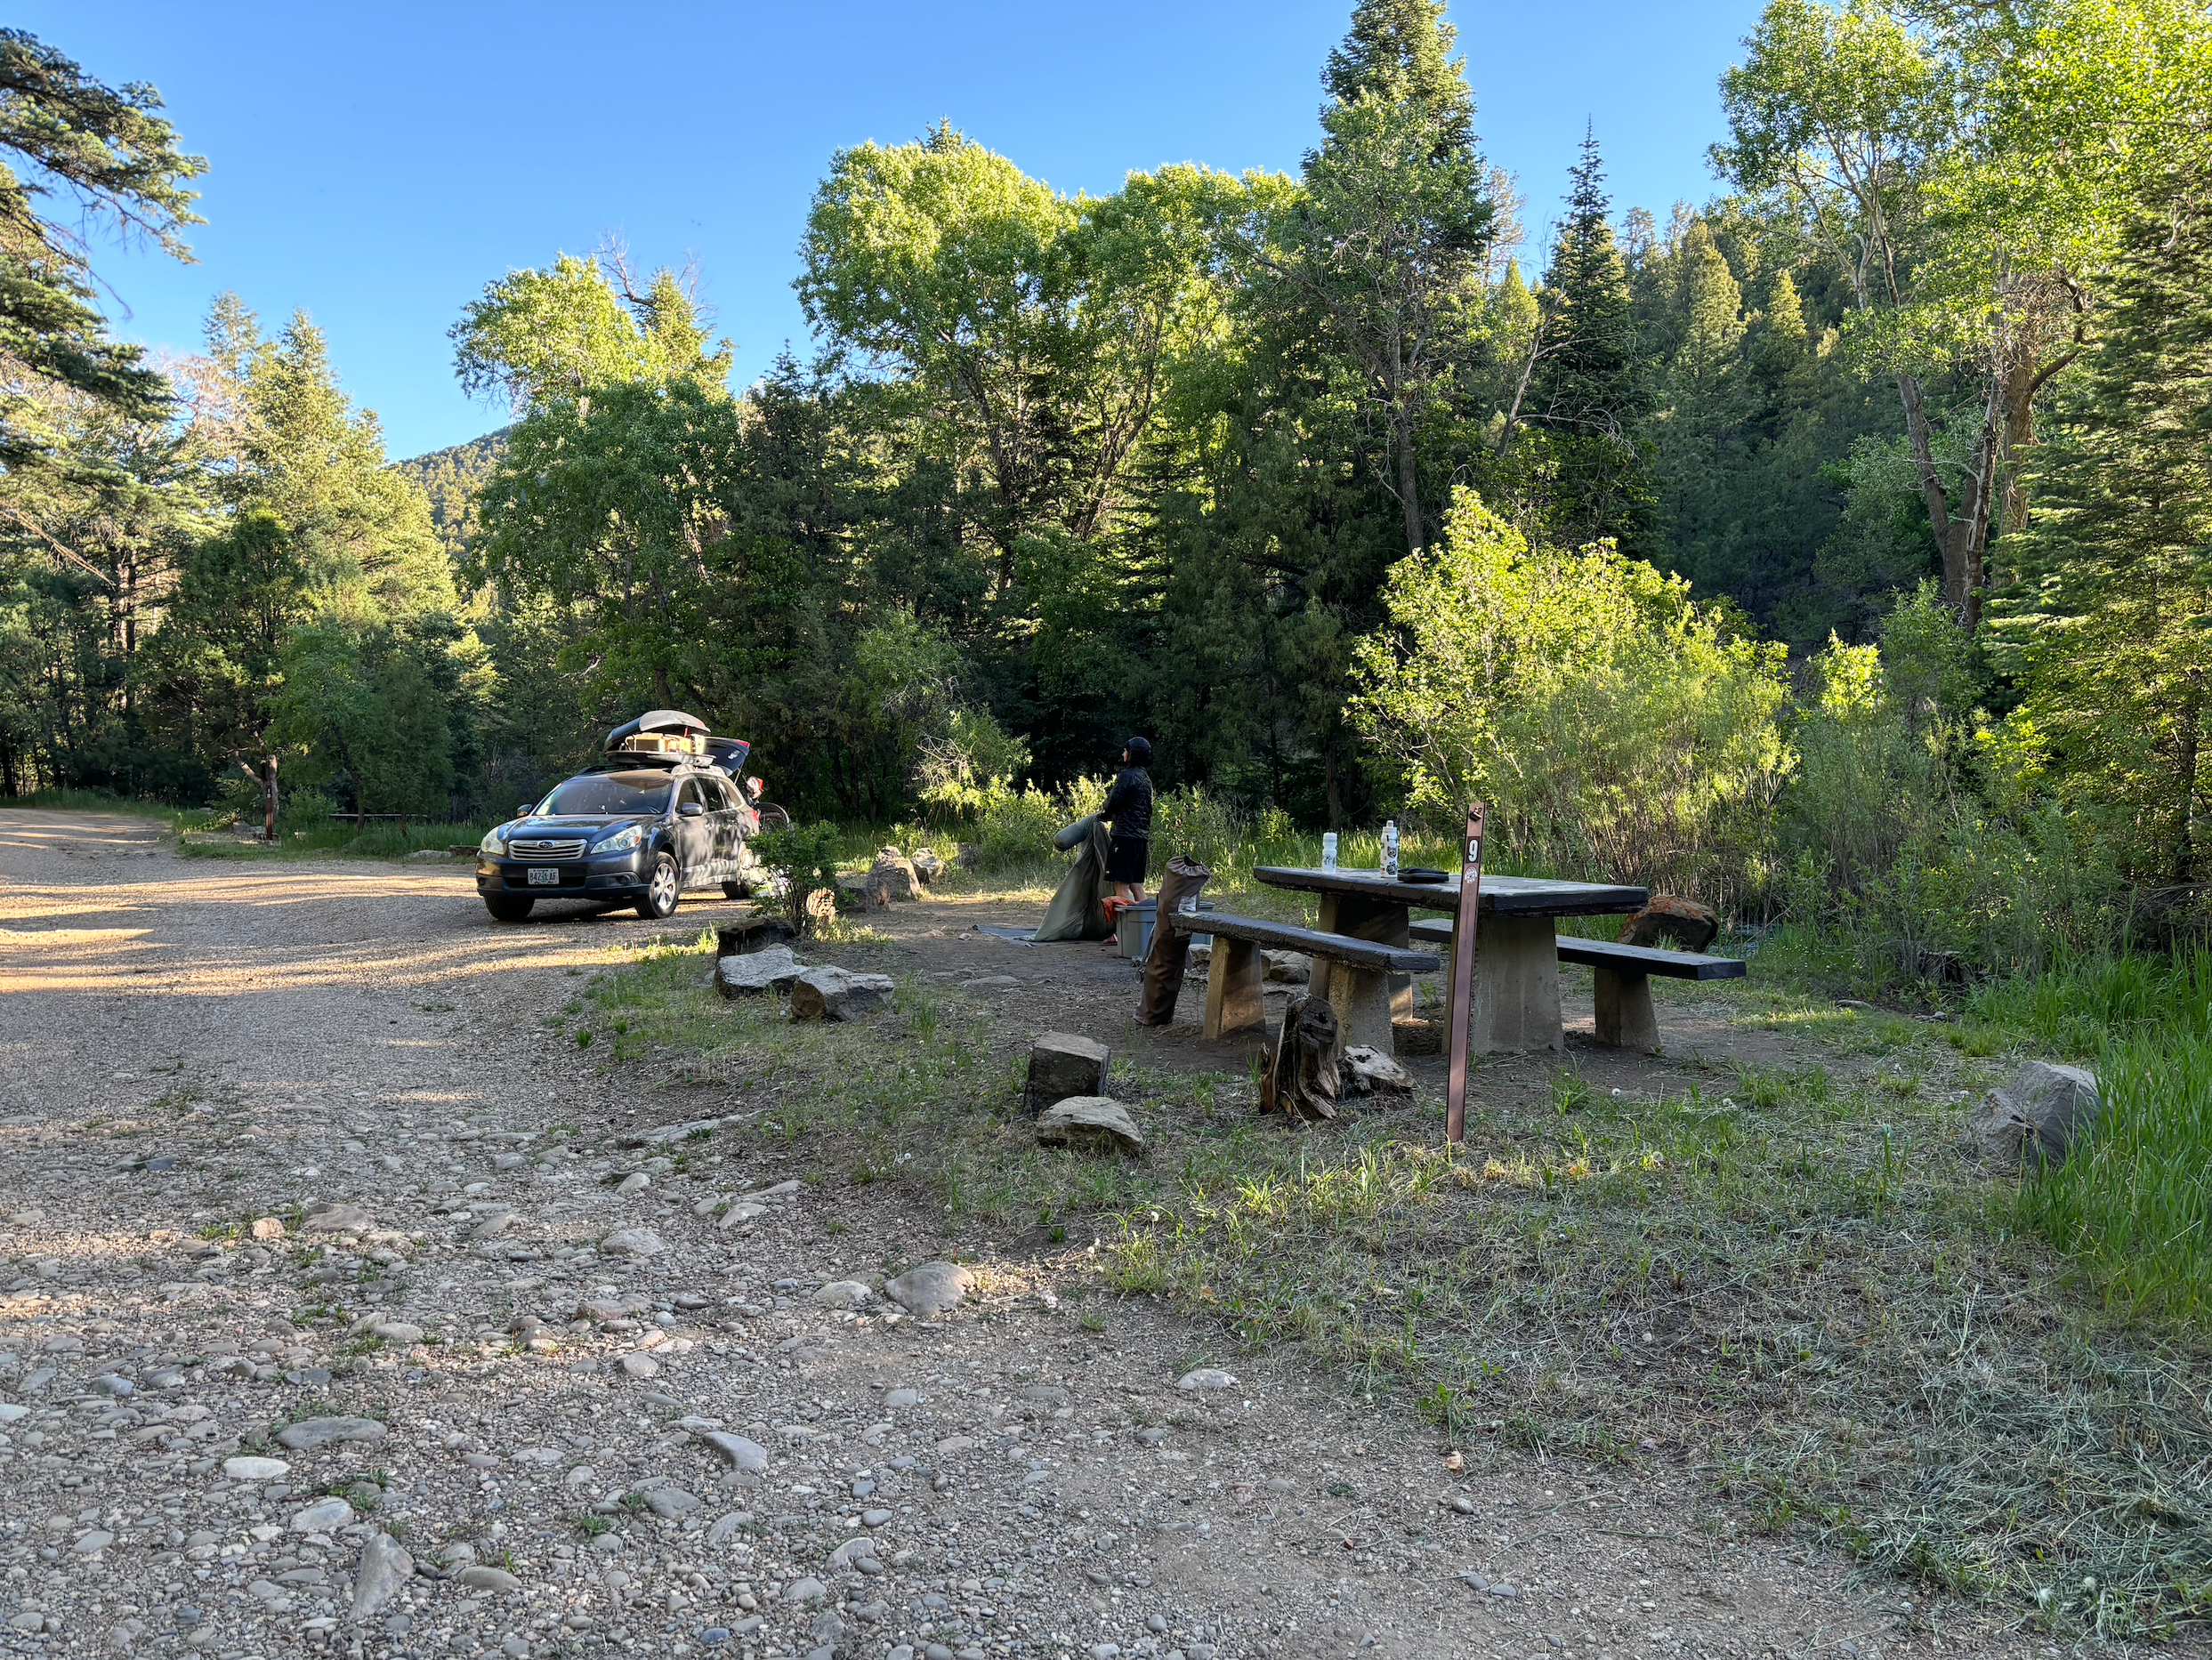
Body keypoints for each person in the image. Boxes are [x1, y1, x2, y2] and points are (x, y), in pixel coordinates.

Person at [1102, 737, 1154, 907]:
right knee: (1136, 885)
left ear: (1132, 754)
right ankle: (1151, 922)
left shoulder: (1127, 776)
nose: (1123, 754)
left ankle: (1126, 924)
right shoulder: (1146, 780)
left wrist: (1104, 813)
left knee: (1121, 884)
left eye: (1126, 750)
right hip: (1140, 840)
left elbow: (1113, 802)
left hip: (1124, 838)